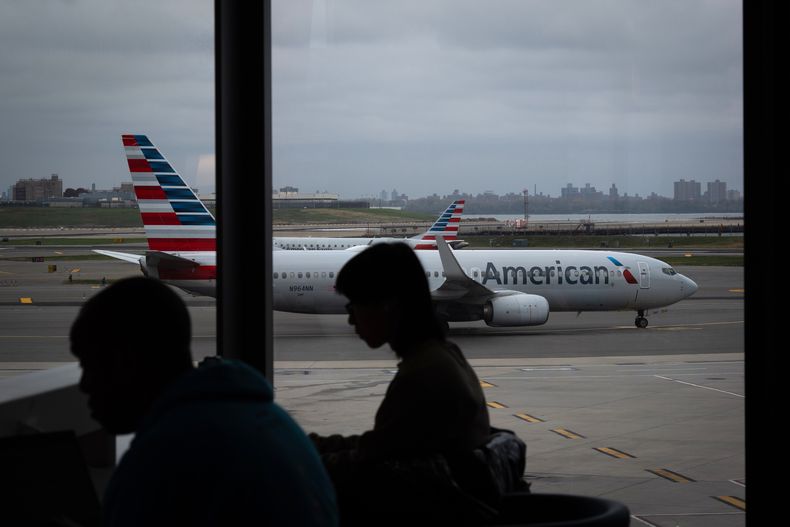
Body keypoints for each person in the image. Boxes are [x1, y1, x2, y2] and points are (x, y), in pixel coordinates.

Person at [70, 277, 337, 527]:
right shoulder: (265, 417)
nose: (84, 385)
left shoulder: (165, 457)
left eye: (91, 365)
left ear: (126, 361)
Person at [310, 243, 526, 525]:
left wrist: (301, 455)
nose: (350, 318)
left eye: (355, 305)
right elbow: (385, 446)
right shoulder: (442, 358)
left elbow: (371, 464)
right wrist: (315, 446)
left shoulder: (424, 377)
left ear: (388, 306)